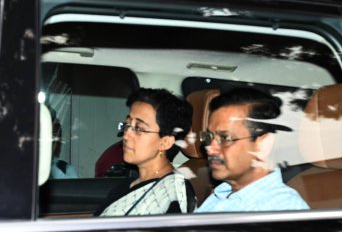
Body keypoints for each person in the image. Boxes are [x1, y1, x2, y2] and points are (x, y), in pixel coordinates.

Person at [195, 88, 309, 212]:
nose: (210, 149)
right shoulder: (221, 195)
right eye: (209, 137)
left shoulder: (283, 210)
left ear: (263, 145)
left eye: (225, 138)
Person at [95, 88, 197, 216]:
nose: (126, 136)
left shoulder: (174, 193)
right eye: (127, 125)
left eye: (139, 128)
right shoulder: (128, 184)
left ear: (165, 142)